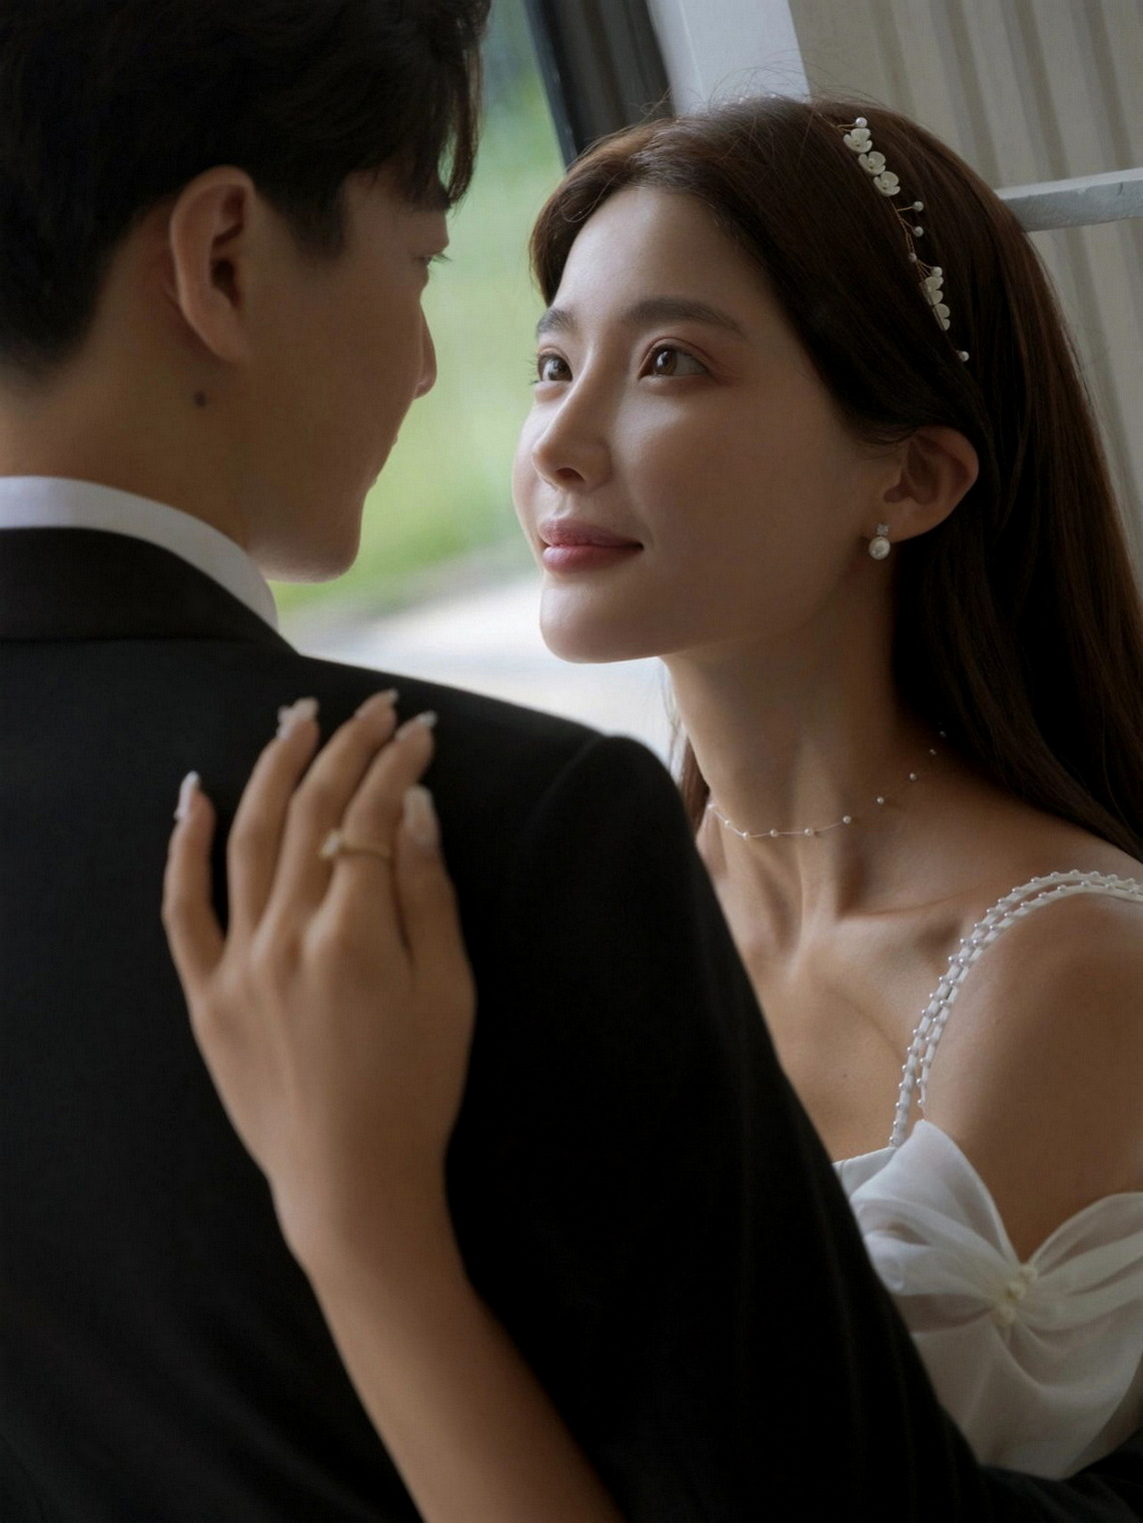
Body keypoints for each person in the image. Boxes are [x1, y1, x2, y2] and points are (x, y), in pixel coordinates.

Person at [0, 0, 1135, 1508]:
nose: (556, 442)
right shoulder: (527, 877)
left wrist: (368, 1231)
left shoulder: (1067, 969)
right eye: (550, 363)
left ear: (914, 477)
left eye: (668, 362)